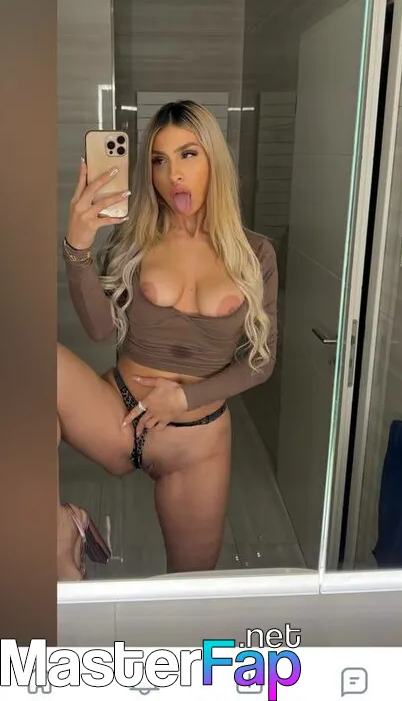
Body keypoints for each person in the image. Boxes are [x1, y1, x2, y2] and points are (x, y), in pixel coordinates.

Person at [58, 100, 278, 580]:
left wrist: (184, 397)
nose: (172, 173)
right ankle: (54, 525)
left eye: (188, 155)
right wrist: (78, 249)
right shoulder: (134, 241)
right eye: (159, 160)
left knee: (191, 584)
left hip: (195, 443)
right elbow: (100, 330)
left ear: (214, 160)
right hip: (118, 414)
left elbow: (260, 363)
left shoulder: (255, 253)